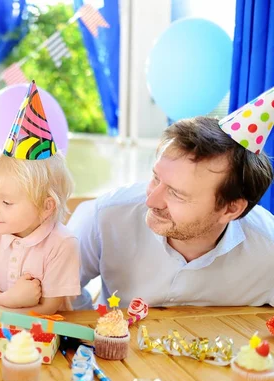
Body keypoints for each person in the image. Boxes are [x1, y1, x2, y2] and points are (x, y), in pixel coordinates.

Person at [71, 87, 274, 309]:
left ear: (230, 209)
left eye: (176, 193)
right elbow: (58, 295)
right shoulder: (103, 217)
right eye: (156, 178)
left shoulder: (267, 250)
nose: (151, 201)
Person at [0, 81, 81, 318]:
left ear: (46, 207)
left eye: (6, 202)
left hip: (47, 342)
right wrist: (9, 299)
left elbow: (48, 310)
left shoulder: (62, 244)